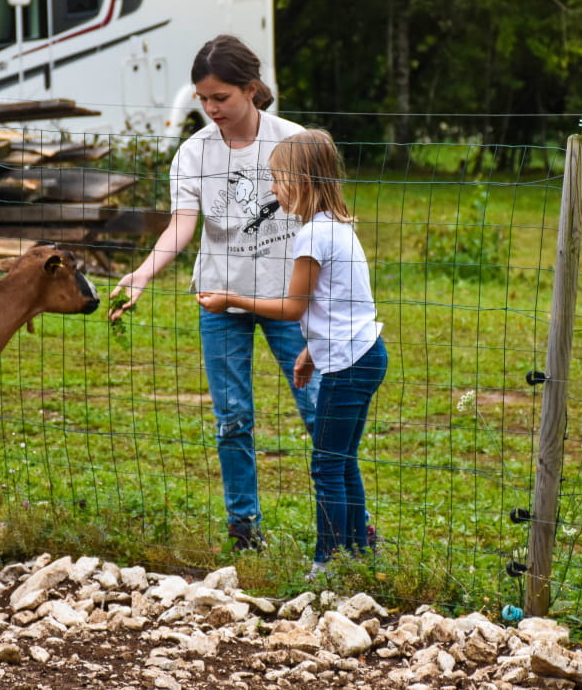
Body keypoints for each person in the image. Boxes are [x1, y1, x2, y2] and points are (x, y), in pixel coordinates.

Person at [108, 34, 319, 551]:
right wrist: (143, 273)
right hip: (218, 302)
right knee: (233, 418)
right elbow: (183, 225)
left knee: (319, 411)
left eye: (220, 98)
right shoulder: (193, 152)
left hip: (287, 302)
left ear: (250, 89)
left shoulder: (293, 143)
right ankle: (244, 529)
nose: (209, 108)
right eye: (202, 98)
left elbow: (322, 223)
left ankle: (348, 525)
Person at [197, 129, 386, 572]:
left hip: (347, 366)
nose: (271, 188)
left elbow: (292, 307)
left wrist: (232, 299)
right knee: (342, 462)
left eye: (278, 179)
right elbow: (338, 305)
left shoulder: (310, 238)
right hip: (365, 352)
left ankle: (327, 564)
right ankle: (357, 553)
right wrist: (309, 353)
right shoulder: (339, 228)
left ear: (303, 181)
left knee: (325, 467)